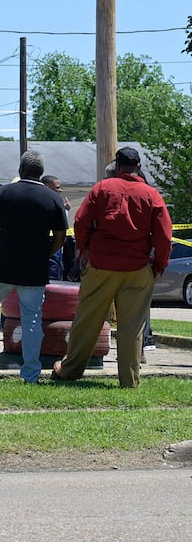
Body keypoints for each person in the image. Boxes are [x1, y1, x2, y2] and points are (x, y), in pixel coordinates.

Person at [53, 147, 172, 388]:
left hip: (101, 264)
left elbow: (81, 221)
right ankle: (129, 380)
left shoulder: (101, 188)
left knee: (88, 319)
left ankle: (71, 370)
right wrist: (159, 265)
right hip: (138, 268)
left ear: (117, 166)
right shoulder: (151, 195)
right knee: (132, 325)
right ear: (138, 167)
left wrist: (83, 251)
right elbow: (164, 235)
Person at [0, 151, 68, 383]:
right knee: (31, 318)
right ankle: (30, 373)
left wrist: (2, 248)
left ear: (21, 169)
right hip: (34, 269)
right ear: (40, 172)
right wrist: (42, 254)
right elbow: (60, 238)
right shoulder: (53, 199)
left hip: (2, 266)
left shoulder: (4, 193)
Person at [41, 174, 70, 280]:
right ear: (47, 187)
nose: (60, 190)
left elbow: (62, 226)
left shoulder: (58, 204)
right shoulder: (44, 203)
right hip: (47, 247)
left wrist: (65, 211)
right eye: (57, 188)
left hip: (56, 249)